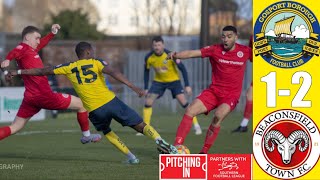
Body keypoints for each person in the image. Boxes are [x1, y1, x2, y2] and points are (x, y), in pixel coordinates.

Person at [7, 41, 178, 163]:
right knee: (138, 124)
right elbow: (114, 72)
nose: (94, 52)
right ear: (88, 52)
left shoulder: (69, 67)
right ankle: (160, 141)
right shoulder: (96, 62)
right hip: (111, 101)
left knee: (108, 132)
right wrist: (134, 87)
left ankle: (131, 157)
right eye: (92, 50)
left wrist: (19, 71)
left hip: (95, 110)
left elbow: (44, 70)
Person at [0, 24, 101, 144]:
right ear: (27, 37)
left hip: (30, 98)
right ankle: (86, 136)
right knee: (82, 105)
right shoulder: (23, 48)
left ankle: (86, 136)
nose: (38, 41)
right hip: (43, 96)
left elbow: (42, 43)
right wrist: (7, 59)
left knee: (15, 127)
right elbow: (15, 52)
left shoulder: (30, 50)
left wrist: (52, 34)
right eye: (36, 38)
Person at [167, 26, 252, 154]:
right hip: (213, 92)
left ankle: (204, 151)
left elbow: (265, 59)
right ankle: (176, 147)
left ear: (236, 37)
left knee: (218, 116)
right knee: (190, 110)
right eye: (223, 36)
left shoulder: (245, 51)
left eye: (229, 36)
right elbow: (192, 53)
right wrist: (175, 55)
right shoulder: (215, 49)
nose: (226, 39)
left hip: (231, 96)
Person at [142, 36, 202, 136]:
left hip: (174, 82)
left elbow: (183, 69)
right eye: (155, 45)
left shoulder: (170, 55)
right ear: (152, 46)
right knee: (148, 101)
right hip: (158, 82)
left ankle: (196, 126)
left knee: (184, 102)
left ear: (163, 45)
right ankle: (146, 128)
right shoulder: (149, 57)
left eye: (159, 45)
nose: (157, 47)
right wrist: (146, 88)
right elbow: (146, 72)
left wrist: (187, 85)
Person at [232, 35, 253, 133]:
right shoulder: (253, 36)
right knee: (250, 95)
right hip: (262, 73)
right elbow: (251, 55)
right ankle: (244, 125)